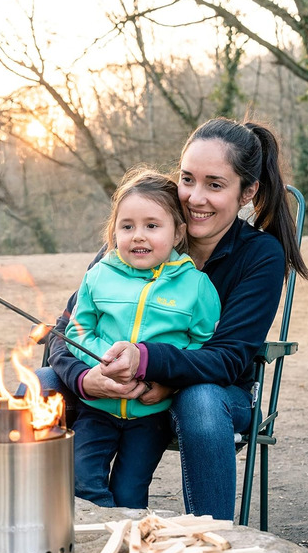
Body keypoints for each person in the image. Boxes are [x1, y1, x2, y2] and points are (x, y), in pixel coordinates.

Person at [40, 116, 308, 521]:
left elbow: (228, 359)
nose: (194, 197)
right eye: (187, 179)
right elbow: (63, 332)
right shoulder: (136, 242)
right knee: (44, 381)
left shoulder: (259, 256)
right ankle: (48, 520)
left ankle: (211, 535)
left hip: (216, 396)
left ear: (247, 192)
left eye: (215, 185)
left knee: (198, 399)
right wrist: (86, 377)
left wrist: (153, 368)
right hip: (113, 391)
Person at [61, 167, 221, 509]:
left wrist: (167, 380)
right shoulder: (99, 276)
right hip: (97, 406)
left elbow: (204, 345)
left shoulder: (196, 287)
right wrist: (104, 363)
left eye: (152, 225)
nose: (138, 236)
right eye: (127, 226)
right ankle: (102, 538)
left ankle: (127, 545)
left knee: (131, 492)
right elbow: (77, 330)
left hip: (151, 413)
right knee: (81, 479)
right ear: (114, 231)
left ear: (178, 233)